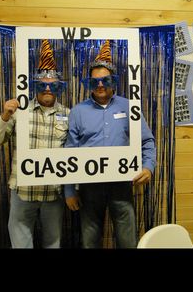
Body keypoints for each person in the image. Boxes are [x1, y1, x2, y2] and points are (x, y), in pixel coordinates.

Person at [64, 40, 156, 249]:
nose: (100, 85)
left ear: (113, 81)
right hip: (89, 186)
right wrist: (69, 190)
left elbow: (147, 141)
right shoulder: (78, 111)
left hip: (122, 184)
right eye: (95, 81)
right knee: (89, 240)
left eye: (105, 80)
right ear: (88, 83)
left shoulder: (129, 107)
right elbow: (69, 151)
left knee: (127, 240)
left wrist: (148, 167)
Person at [0, 39, 70, 248]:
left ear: (58, 86)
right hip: (23, 192)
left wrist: (72, 189)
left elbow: (73, 155)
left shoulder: (69, 115)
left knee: (53, 243)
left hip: (53, 193)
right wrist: (5, 115)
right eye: (43, 84)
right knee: (21, 244)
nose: (47, 89)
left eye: (52, 85)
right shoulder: (18, 113)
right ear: (35, 86)